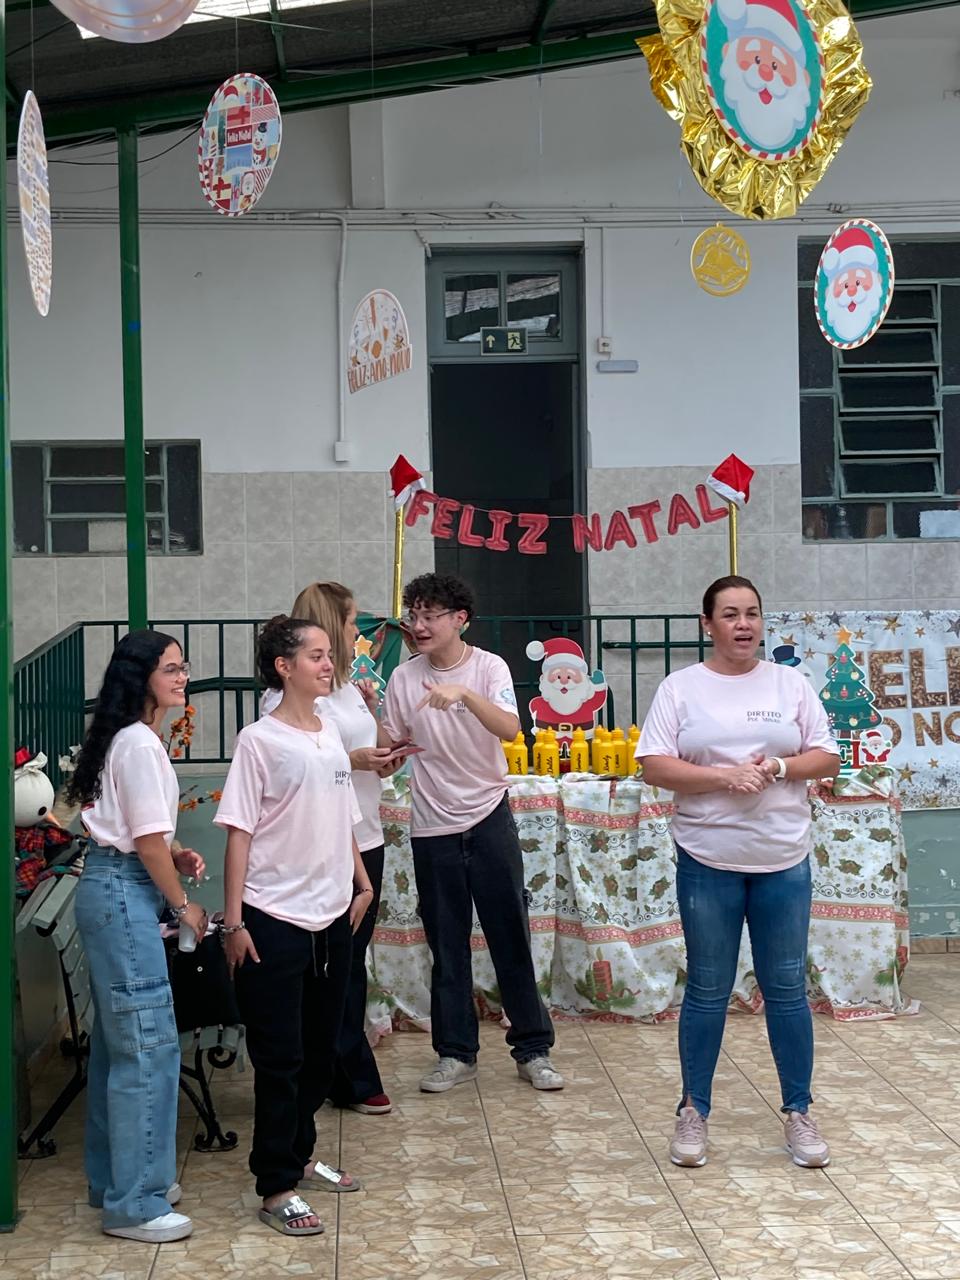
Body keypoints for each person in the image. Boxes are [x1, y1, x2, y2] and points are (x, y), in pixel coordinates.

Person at [637, 575, 841, 1170]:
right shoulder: (681, 688)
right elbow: (654, 765)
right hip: (708, 860)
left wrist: (777, 766)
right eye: (729, 614)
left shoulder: (790, 683)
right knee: (707, 988)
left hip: (783, 859)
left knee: (787, 989)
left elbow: (827, 756)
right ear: (708, 624)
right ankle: (692, 1110)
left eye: (752, 613)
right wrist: (725, 777)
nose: (743, 624)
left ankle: (799, 1112)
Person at [216, 616, 374, 1237]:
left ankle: (301, 1156)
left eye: (329, 654)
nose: (328, 664)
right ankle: (275, 1184)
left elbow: (343, 815)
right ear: (284, 667)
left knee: (320, 1051)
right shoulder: (258, 740)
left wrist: (361, 882)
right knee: (279, 1058)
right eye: (315, 655)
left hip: (332, 916)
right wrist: (235, 922)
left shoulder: (329, 733)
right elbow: (239, 833)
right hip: (272, 918)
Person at [381, 572, 562, 1093]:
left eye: (430, 615)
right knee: (447, 945)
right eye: (413, 615)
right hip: (431, 825)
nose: (419, 626)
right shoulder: (403, 679)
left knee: (510, 937)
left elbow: (510, 728)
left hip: (488, 816)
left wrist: (462, 693)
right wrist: (369, 716)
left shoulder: (488, 666)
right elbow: (391, 748)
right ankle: (455, 1054)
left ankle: (533, 1050)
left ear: (460, 619)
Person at [67, 631, 207, 1243]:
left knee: (118, 1050)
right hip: (124, 892)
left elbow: (142, 837)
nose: (181, 677)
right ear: (140, 677)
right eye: (170, 669)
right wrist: (184, 906)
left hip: (113, 886)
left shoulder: (126, 739)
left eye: (182, 667)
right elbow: (144, 844)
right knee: (148, 1048)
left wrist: (172, 855)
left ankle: (114, 1182)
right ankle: (136, 1203)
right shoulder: (141, 745)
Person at [261, 581, 397, 1115]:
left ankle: (335, 1069)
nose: (355, 631)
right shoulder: (286, 700)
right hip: (325, 843)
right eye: (350, 620)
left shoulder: (344, 685)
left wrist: (380, 745)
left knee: (349, 960)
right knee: (333, 965)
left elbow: (367, 746)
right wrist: (353, 760)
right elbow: (304, 766)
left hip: (365, 831)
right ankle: (347, 1073)